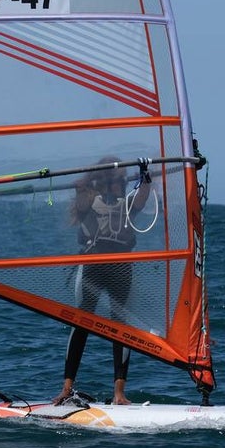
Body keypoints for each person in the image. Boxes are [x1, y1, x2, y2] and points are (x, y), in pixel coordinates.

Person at [53, 157, 152, 406]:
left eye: (122, 176)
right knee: (82, 323)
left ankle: (119, 393)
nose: (119, 180)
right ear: (104, 177)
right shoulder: (88, 197)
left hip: (121, 268)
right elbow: (83, 200)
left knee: (121, 326)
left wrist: (145, 174)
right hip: (92, 267)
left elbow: (142, 197)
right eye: (114, 175)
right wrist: (89, 183)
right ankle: (67, 387)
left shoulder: (128, 203)